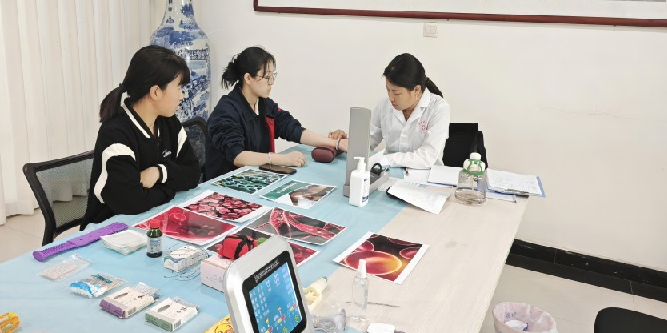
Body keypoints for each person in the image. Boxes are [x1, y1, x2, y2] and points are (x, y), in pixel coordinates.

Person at [81, 46, 201, 228]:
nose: (182, 95)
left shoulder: (169, 122)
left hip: (155, 218)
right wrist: (171, 186)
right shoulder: (115, 133)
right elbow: (132, 202)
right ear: (155, 92)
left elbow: (193, 173)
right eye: (178, 88)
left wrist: (159, 173)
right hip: (110, 229)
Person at [205, 46, 343, 180]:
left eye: (272, 76)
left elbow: (292, 128)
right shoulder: (226, 111)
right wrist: (283, 159)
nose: (271, 83)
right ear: (248, 78)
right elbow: (238, 157)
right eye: (267, 77)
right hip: (226, 184)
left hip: (256, 178)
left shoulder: (264, 105)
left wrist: (335, 143)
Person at [329, 53, 450, 169]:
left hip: (427, 176)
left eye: (396, 93)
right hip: (390, 173)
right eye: (388, 90)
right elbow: (369, 139)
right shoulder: (384, 105)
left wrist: (386, 159)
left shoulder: (438, 108)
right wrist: (347, 139)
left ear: (416, 90)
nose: (391, 98)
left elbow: (427, 156)